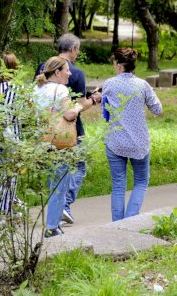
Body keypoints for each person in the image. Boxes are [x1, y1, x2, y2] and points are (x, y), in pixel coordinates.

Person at [36, 33, 102, 225]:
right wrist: (92, 100)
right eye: (78, 50)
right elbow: (76, 107)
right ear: (73, 49)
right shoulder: (76, 73)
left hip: (43, 131)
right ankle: (63, 206)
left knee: (52, 173)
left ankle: (55, 214)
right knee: (79, 166)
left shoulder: (42, 67)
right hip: (66, 132)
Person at [101, 48, 163, 221]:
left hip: (115, 141)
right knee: (141, 182)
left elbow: (104, 111)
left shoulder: (109, 84)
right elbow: (158, 109)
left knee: (118, 185)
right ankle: (130, 220)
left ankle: (116, 224)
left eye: (115, 63)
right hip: (139, 142)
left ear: (120, 66)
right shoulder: (143, 85)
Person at [34, 56, 83, 238]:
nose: (70, 73)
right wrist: (78, 107)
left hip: (41, 141)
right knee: (60, 186)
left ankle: (53, 223)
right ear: (57, 72)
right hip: (59, 142)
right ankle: (52, 227)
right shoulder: (61, 89)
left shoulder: (36, 88)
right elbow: (69, 114)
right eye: (67, 70)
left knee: (52, 184)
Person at [0, 52, 23, 218]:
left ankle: (6, 205)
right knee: (9, 175)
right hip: (11, 135)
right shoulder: (16, 88)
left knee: (2, 173)